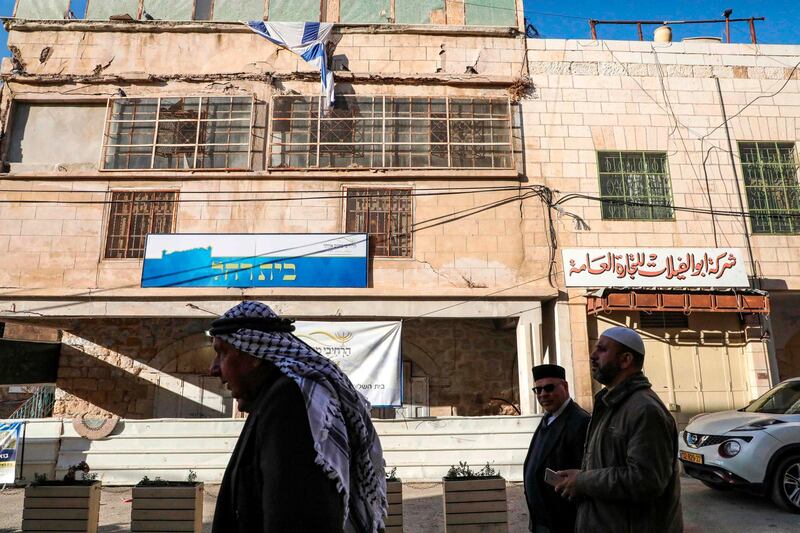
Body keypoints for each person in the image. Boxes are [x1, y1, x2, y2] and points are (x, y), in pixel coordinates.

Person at [208, 301, 387, 533]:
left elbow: (296, 517)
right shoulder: (275, 398)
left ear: (255, 354)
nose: (213, 369)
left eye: (222, 353)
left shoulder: (290, 403)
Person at [554, 326, 683, 533]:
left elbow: (647, 480)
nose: (592, 356)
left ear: (625, 360)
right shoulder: (610, 403)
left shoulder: (644, 410)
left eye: (602, 350)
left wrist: (583, 481)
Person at [523, 364, 590, 533]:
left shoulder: (580, 422)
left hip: (564, 523)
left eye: (549, 388)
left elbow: (586, 473)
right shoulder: (548, 418)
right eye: (538, 390)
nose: (543, 394)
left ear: (565, 387)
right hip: (542, 522)